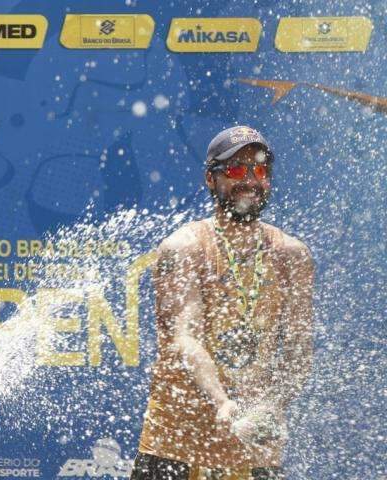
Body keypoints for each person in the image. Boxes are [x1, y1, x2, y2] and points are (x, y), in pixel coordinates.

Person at [132, 126, 314, 480]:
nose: (249, 180)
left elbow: (298, 349)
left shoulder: (292, 255)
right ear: (210, 179)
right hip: (176, 447)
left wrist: (272, 405)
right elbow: (185, 336)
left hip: (255, 453)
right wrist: (222, 401)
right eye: (234, 170)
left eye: (259, 170)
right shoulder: (184, 247)